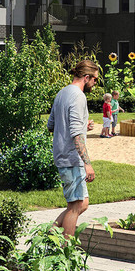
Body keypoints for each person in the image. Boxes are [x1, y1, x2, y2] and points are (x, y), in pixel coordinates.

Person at [47, 59, 98, 237]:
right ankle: (65, 251)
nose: (95, 84)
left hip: (62, 155)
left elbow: (51, 125)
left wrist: (84, 126)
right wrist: (87, 163)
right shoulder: (78, 96)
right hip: (71, 158)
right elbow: (76, 135)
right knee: (75, 206)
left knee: (81, 203)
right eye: (94, 80)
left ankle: (49, 237)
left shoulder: (62, 93)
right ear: (86, 77)